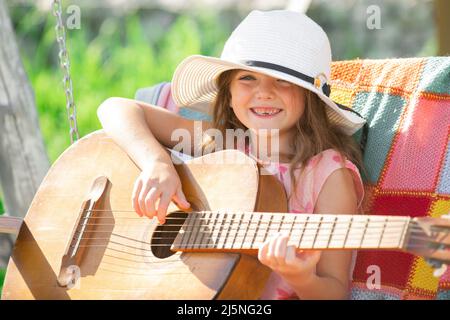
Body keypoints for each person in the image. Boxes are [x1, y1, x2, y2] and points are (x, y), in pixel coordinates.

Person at [97, 10, 366, 299]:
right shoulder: (220, 143)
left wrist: (300, 277)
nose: (263, 93)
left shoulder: (328, 176)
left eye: (282, 81)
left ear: (309, 96)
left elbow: (334, 293)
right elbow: (115, 108)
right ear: (228, 92)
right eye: (247, 78)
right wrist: (157, 164)